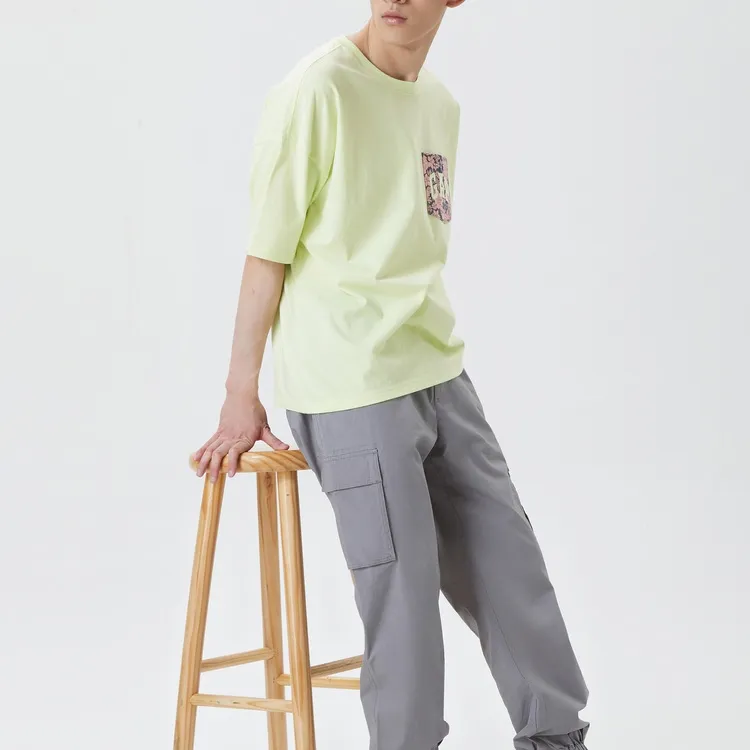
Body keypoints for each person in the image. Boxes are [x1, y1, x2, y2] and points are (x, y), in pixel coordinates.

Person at [191, 2, 591, 749]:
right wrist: (239, 393)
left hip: (436, 368)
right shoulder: (318, 91)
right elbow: (266, 253)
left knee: (510, 562)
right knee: (403, 596)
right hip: (350, 380)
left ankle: (557, 739)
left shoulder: (438, 104)